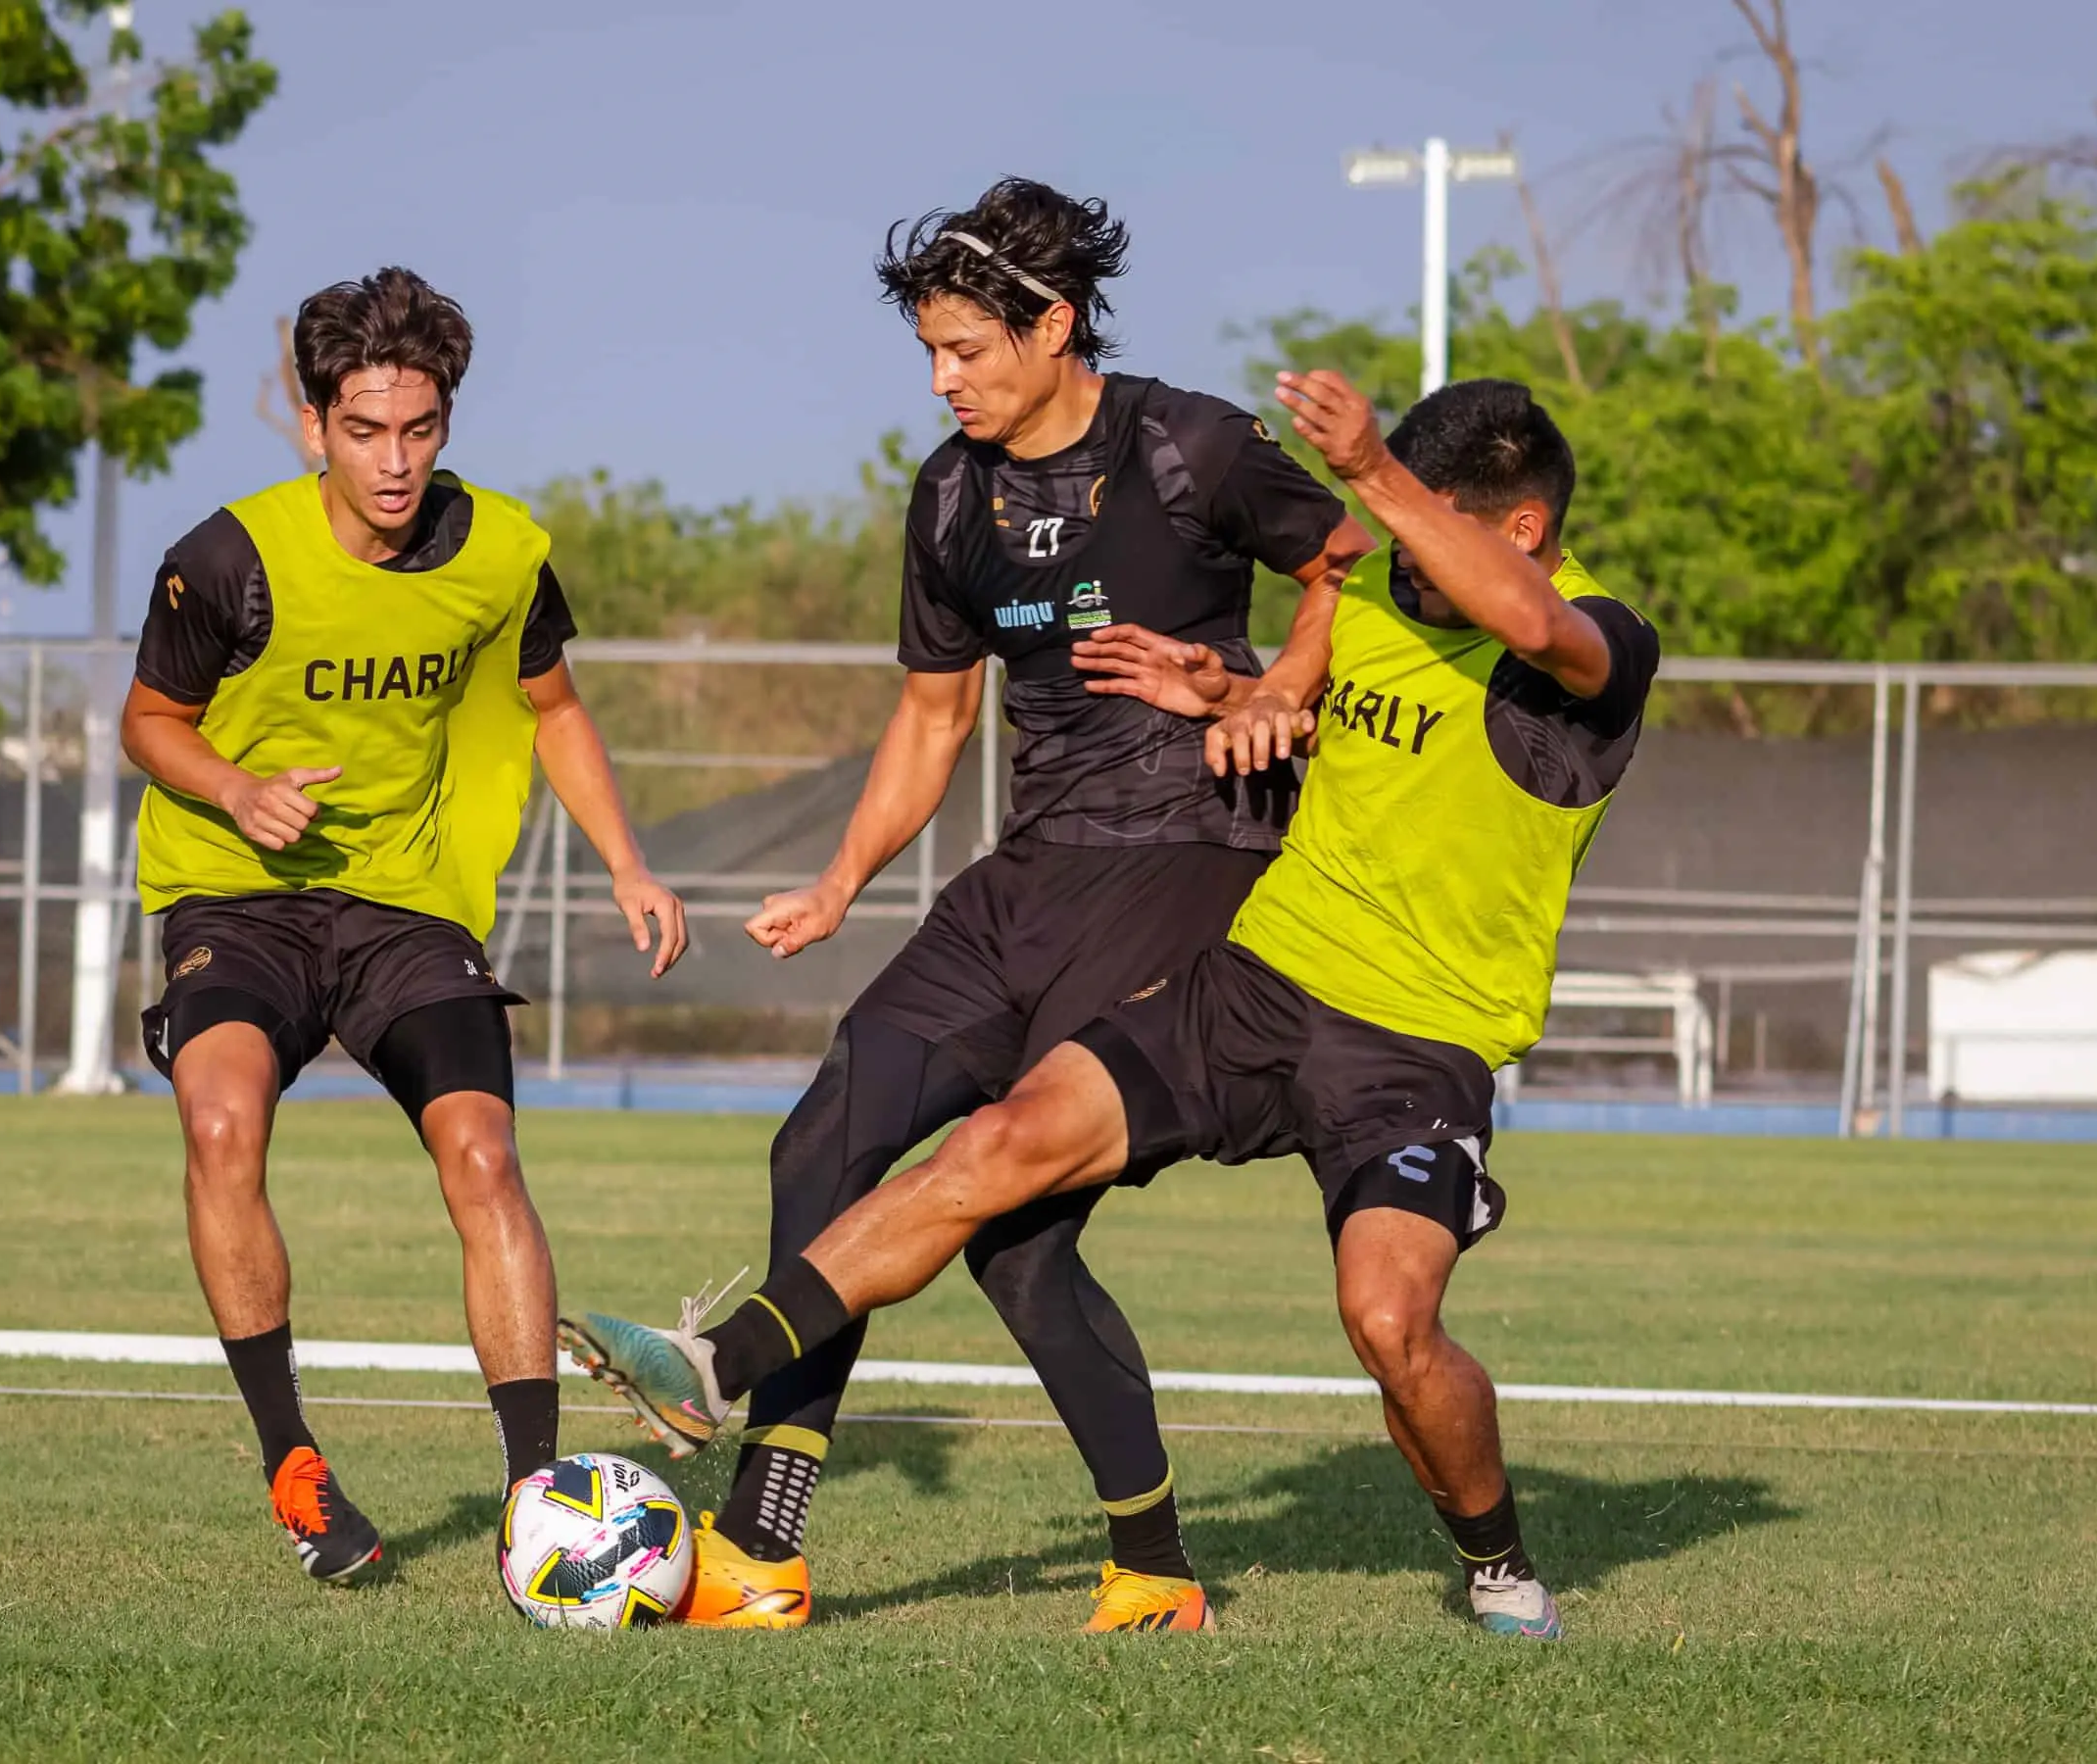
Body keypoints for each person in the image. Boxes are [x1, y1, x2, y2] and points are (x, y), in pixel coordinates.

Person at [564, 368, 1657, 1641]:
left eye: (1429, 532)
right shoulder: (1367, 599)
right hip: (1262, 982)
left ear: (1516, 529)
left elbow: (1533, 627)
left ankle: (1496, 1559)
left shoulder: (1597, 641)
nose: (1393, 562)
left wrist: (1370, 477)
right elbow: (1286, 706)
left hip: (1419, 1044)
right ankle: (713, 1369)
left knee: (1390, 1321)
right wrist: (1221, 696)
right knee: (1003, 1145)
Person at [561, 177, 1370, 1635]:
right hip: (1027, 876)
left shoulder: (1189, 444)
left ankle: (1154, 1566)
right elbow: (932, 725)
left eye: (966, 351)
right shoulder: (951, 493)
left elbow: (1353, 568)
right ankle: (765, 1549)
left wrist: (1280, 692)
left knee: (1016, 1236)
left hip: (1188, 859)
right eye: (929, 352)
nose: (943, 380)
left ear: (1054, 325)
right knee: (826, 1137)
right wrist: (836, 883)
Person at [125, 267, 687, 1585]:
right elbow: (148, 723)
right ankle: (291, 1460)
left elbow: (554, 707)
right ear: (315, 423)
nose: (395, 461)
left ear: (446, 421)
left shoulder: (499, 552)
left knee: (483, 1157)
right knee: (220, 1119)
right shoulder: (228, 559)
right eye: (366, 430)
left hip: (405, 903)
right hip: (237, 892)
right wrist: (233, 785)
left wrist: (629, 864)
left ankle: (542, 1500)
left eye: (420, 429)